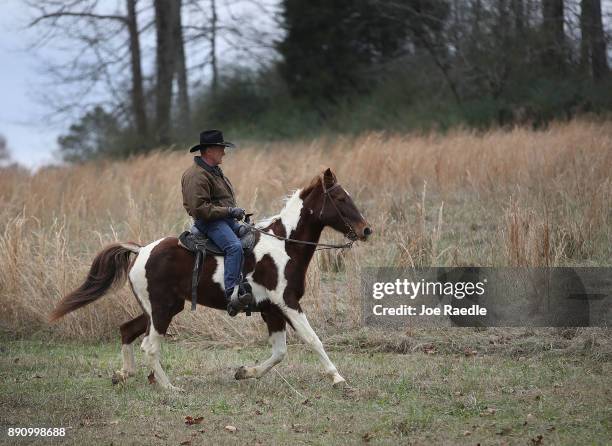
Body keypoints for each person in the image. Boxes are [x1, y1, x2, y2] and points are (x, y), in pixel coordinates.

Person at [181, 129, 253, 316]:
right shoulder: (196, 175)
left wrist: (231, 213)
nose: (224, 152)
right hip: (209, 222)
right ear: (210, 151)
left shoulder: (212, 171)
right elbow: (199, 209)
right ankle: (232, 295)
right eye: (221, 148)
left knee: (252, 234)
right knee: (234, 247)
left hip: (223, 220)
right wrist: (230, 211)